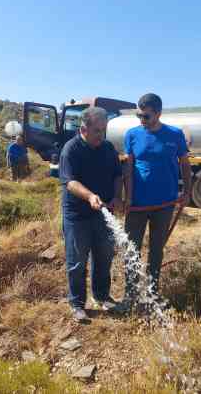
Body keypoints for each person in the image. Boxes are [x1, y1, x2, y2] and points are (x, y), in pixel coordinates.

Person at [122, 93, 192, 306]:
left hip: (165, 204)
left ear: (158, 113)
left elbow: (185, 164)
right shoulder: (132, 135)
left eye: (146, 116)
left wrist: (187, 192)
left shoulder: (175, 135)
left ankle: (152, 293)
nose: (142, 120)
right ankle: (131, 294)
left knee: (156, 250)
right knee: (132, 249)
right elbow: (128, 169)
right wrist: (128, 197)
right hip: (137, 205)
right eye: (139, 115)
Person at [59, 107, 123, 323]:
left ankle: (102, 296)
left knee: (104, 256)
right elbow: (70, 182)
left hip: (103, 213)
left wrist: (117, 196)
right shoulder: (71, 149)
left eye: (103, 130)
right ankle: (77, 304)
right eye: (97, 131)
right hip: (77, 215)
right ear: (83, 129)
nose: (101, 135)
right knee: (77, 261)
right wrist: (89, 196)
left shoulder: (108, 148)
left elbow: (117, 175)